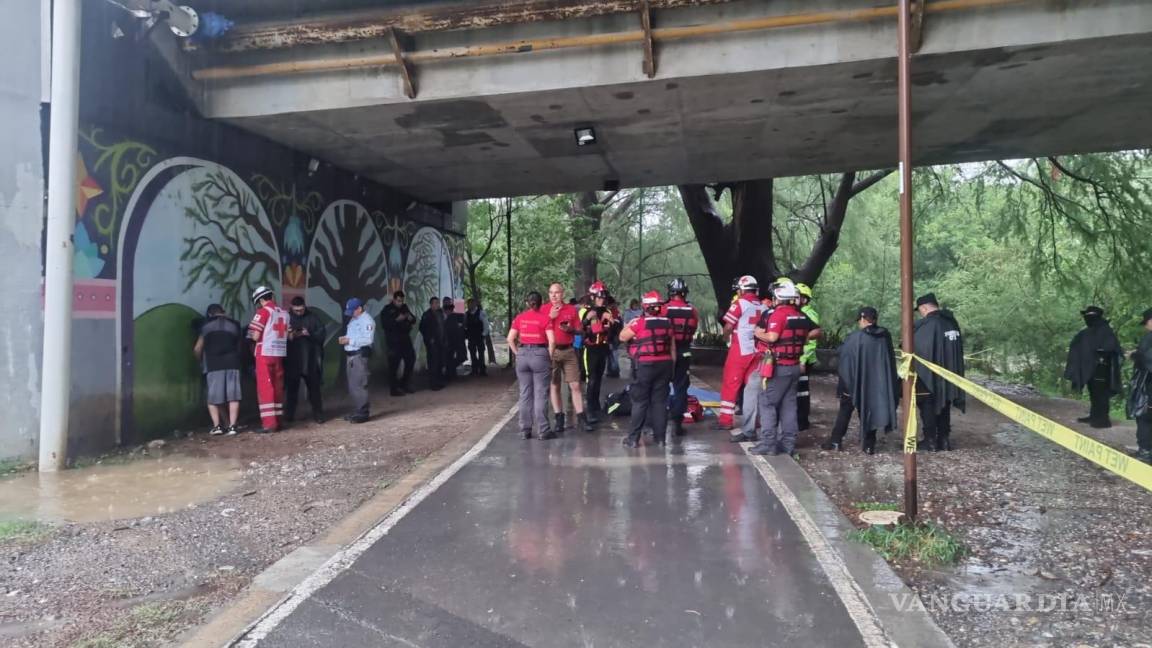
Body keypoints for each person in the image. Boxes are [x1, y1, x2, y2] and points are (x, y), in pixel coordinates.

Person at [749, 283, 820, 456]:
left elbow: (772, 337)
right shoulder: (800, 315)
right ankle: (788, 444)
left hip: (779, 367)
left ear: (777, 298)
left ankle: (768, 443)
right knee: (789, 406)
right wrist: (801, 338)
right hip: (795, 366)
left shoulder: (778, 315)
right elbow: (817, 331)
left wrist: (757, 332)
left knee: (767, 403)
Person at [822, 307, 900, 454]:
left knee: (845, 409)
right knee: (870, 409)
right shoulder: (885, 336)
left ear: (863, 319)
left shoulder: (855, 337)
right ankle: (869, 445)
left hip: (853, 382)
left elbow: (844, 358)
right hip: (877, 383)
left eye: (859, 320)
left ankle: (835, 441)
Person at [619, 291, 675, 448]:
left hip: (644, 366)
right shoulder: (668, 324)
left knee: (640, 402)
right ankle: (660, 439)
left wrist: (630, 324)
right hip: (665, 365)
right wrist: (672, 369)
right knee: (660, 403)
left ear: (645, 307)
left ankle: (633, 439)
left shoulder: (640, 323)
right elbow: (673, 350)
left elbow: (622, 337)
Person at [913, 293, 966, 451]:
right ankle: (944, 439)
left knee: (927, 403)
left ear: (924, 307)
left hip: (930, 376)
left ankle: (930, 441)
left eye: (920, 310)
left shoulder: (928, 325)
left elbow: (918, 347)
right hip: (951, 373)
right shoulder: (951, 323)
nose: (920, 313)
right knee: (945, 403)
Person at [717, 276, 768, 431]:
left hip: (740, 350)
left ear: (742, 289)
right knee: (753, 387)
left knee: (731, 384)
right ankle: (756, 420)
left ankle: (726, 420)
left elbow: (728, 327)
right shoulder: (763, 307)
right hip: (757, 350)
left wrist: (726, 339)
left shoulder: (739, 303)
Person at [542, 282, 591, 433]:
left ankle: (582, 418)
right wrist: (550, 317)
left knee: (575, 385)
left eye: (557, 292)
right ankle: (559, 418)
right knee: (554, 385)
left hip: (568, 350)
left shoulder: (570, 309)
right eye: (551, 293)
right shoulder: (544, 309)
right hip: (551, 351)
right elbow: (539, 329)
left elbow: (580, 330)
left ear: (562, 294)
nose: (554, 296)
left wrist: (571, 329)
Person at [1064, 305, 1123, 428]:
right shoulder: (1087, 332)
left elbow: (1112, 348)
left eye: (1088, 316)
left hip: (1102, 369)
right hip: (1090, 369)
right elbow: (1078, 346)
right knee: (1094, 393)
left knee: (1101, 394)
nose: (1086, 319)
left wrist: (1100, 353)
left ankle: (1102, 420)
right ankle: (1094, 416)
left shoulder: (1105, 330)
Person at [509, 291, 556, 440]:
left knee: (524, 394)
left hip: (523, 353)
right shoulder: (545, 318)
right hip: (540, 354)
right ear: (541, 303)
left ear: (527, 303)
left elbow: (510, 339)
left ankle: (525, 430)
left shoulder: (520, 318)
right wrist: (548, 355)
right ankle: (543, 430)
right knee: (541, 393)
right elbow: (552, 341)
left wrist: (518, 353)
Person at [194, 304, 244, 436]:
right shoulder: (234, 325)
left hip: (213, 364)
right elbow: (240, 346)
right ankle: (232, 426)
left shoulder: (206, 326)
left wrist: (200, 362)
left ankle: (218, 427)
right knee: (233, 396)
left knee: (214, 399)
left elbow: (197, 349)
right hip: (233, 363)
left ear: (210, 314)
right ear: (223, 312)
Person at [248, 286, 289, 433]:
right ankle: (278, 421)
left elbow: (255, 336)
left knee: (265, 388)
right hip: (279, 354)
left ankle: (269, 424)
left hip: (264, 353)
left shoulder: (263, 312)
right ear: (271, 296)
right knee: (278, 386)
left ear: (260, 300)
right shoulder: (284, 313)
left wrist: (250, 336)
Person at [579, 281, 621, 424]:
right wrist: (587, 319)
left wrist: (613, 323)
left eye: (603, 297)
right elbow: (578, 329)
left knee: (598, 378)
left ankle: (596, 406)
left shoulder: (608, 312)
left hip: (602, 348)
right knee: (591, 380)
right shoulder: (584, 311)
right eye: (599, 297)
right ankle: (590, 409)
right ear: (592, 297)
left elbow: (615, 332)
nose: (602, 299)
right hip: (589, 349)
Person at [663, 278, 699, 438]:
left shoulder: (663, 309)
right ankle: (677, 423)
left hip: (664, 352)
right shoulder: (692, 310)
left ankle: (657, 422)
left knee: (660, 387)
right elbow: (694, 328)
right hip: (684, 351)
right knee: (680, 387)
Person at [284, 296, 326, 424]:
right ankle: (289, 415)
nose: (299, 313)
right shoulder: (286, 318)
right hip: (292, 360)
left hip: (310, 359)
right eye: (296, 310)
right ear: (291, 307)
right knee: (291, 390)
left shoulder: (313, 317)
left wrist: (309, 334)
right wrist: (289, 335)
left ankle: (318, 414)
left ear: (304, 307)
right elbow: (278, 337)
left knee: (314, 389)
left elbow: (322, 335)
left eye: (301, 310)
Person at [339, 297, 375, 423]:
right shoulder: (354, 319)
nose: (351, 314)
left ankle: (363, 413)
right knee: (353, 386)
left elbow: (368, 340)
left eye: (352, 311)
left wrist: (350, 341)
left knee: (359, 385)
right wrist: (346, 339)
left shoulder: (367, 321)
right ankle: (358, 410)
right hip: (351, 356)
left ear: (359, 308)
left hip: (359, 356)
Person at [1127, 308, 1152, 464]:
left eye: (1146, 323)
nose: (1145, 326)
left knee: (1144, 416)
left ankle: (1145, 452)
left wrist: (1134, 355)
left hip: (1149, 386)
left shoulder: (1150, 338)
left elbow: (1148, 361)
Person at [380, 290, 417, 396]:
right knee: (394, 366)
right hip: (393, 341)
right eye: (398, 301)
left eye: (401, 301)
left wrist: (410, 318)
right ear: (394, 300)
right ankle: (394, 389)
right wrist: (397, 320)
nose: (400, 303)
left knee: (411, 360)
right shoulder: (387, 310)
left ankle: (404, 384)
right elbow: (385, 324)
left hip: (405, 340)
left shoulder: (405, 308)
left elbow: (413, 319)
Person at [795, 283, 821, 430]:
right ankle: (800, 420)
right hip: (801, 358)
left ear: (804, 299)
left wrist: (803, 360)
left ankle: (802, 421)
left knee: (802, 392)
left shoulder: (809, 314)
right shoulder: (799, 312)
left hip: (804, 359)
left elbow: (811, 342)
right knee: (799, 391)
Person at [419, 297, 446, 391]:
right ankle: (433, 383)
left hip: (440, 341)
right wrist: (429, 339)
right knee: (433, 363)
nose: (437, 305)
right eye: (435, 303)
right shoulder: (427, 315)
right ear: (431, 304)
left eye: (438, 303)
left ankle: (439, 381)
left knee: (440, 362)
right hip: (432, 342)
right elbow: (422, 328)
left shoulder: (440, 313)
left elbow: (443, 326)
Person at [443, 296, 467, 381]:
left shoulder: (456, 315)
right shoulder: (441, 315)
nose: (447, 304)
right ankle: (449, 374)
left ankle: (451, 371)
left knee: (461, 357)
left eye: (449, 302)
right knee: (447, 357)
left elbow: (463, 321)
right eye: (446, 302)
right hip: (446, 340)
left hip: (456, 340)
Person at [465, 298, 488, 376]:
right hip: (471, 337)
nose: (469, 306)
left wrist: (484, 334)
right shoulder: (466, 314)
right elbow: (465, 325)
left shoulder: (481, 313)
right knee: (472, 353)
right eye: (468, 304)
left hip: (479, 336)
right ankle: (474, 370)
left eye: (471, 304)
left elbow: (485, 324)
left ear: (475, 304)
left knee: (481, 353)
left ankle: (482, 370)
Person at [621, 298, 643, 378]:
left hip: (638, 335)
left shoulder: (641, 312)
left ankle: (636, 368)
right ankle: (633, 368)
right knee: (631, 353)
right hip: (630, 334)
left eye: (636, 304)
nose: (635, 306)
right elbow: (625, 323)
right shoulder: (628, 312)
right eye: (634, 304)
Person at [605, 295, 622, 378]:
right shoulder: (616, 312)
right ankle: (611, 370)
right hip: (615, 336)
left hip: (612, 336)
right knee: (611, 354)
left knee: (612, 354)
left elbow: (614, 325)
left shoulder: (611, 312)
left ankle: (614, 370)